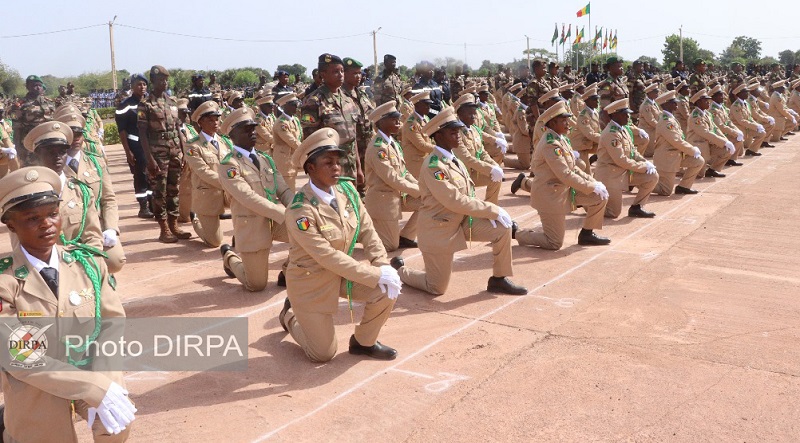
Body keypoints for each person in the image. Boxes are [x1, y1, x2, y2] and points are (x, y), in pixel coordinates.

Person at [0, 166, 135, 442]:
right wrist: (92, 387)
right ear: (11, 225)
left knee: (116, 424)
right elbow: (20, 356)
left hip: (90, 367)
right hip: (34, 382)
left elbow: (111, 323)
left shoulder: (88, 263)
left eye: (52, 214)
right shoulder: (6, 280)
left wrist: (106, 381)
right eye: (32, 218)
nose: (47, 224)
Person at [278, 128, 403, 362]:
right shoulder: (300, 209)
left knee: (386, 289)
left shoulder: (347, 191)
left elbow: (367, 230)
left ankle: (364, 342)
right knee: (322, 354)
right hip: (311, 282)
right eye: (328, 163)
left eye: (338, 162)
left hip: (342, 274)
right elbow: (326, 256)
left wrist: (382, 264)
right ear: (311, 168)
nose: (337, 167)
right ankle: (290, 315)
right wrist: (375, 274)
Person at [393, 107, 527, 296]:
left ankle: (499, 279)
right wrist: (492, 209)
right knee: (436, 287)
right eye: (453, 132)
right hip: (440, 229)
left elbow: (467, 194)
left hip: (462, 221)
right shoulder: (434, 166)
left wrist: (491, 214)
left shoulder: (453, 159)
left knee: (503, 229)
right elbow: (455, 200)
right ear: (439, 136)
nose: (458, 135)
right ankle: (400, 270)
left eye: (458, 131)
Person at [515, 101, 610, 250]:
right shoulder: (550, 144)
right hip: (550, 196)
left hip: (564, 190)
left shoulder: (561, 138)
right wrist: (591, 186)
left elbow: (573, 168)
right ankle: (517, 233)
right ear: (553, 123)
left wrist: (593, 182)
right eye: (563, 120)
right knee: (554, 243)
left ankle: (587, 234)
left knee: (599, 197)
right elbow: (565, 174)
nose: (567, 123)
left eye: (567, 120)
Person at [217, 108, 293, 291]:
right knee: (256, 285)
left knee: (308, 230)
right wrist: (282, 213)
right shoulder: (229, 165)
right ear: (232, 135)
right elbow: (248, 197)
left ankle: (288, 272)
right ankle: (230, 258)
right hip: (253, 226)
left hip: (275, 221)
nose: (253, 132)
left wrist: (298, 209)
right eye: (246, 129)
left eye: (253, 128)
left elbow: (283, 190)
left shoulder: (266, 159)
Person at [56, 113, 126, 273]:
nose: (76, 139)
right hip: (67, 230)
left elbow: (109, 199)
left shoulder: (96, 162)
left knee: (115, 261)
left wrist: (111, 228)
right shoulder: (53, 165)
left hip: (96, 227)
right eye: (71, 134)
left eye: (79, 134)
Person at [21, 121, 104, 252]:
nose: (58, 157)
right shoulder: (25, 196)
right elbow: (21, 246)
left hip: (79, 258)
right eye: (50, 152)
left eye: (62, 152)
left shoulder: (81, 191)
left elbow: (93, 237)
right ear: (37, 154)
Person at [138, 66, 191, 243]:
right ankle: (164, 229)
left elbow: (178, 128)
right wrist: (149, 159)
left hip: (175, 151)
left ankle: (174, 224)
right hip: (157, 154)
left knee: (174, 189)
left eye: (166, 80)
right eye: (161, 80)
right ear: (153, 81)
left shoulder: (172, 102)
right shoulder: (146, 104)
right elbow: (142, 134)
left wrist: (183, 151)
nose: (164, 82)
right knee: (159, 191)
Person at [364, 102, 421, 252]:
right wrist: (418, 190)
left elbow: (404, 172)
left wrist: (421, 187)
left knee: (428, 201)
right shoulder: (378, 147)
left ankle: (406, 237)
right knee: (390, 246)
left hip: (398, 196)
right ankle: (361, 232)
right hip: (384, 201)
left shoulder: (392, 143)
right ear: (381, 122)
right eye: (393, 119)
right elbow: (392, 178)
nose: (398, 122)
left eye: (398, 118)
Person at [300, 54, 362, 185]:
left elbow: (353, 137)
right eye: (335, 72)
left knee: (352, 198)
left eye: (342, 71)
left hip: (350, 165)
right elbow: (311, 141)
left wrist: (359, 167)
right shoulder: (313, 101)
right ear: (323, 74)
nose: (341, 75)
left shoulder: (348, 99)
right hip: (329, 168)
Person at [594, 99, 659, 219]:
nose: (628, 116)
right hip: (611, 175)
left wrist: (645, 162)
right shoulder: (611, 133)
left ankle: (637, 207)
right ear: (615, 115)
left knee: (652, 176)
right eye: (624, 114)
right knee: (613, 213)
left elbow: (633, 152)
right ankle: (588, 202)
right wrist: (643, 167)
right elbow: (621, 160)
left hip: (624, 172)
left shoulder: (623, 129)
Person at [184, 101, 229, 247]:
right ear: (200, 123)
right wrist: (228, 183)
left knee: (248, 202)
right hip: (208, 194)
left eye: (216, 119)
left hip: (227, 192)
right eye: (210, 120)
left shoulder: (225, 142)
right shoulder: (192, 146)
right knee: (215, 242)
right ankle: (196, 219)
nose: (215, 123)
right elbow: (203, 171)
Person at [651, 91, 705, 196]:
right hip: (667, 159)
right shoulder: (666, 121)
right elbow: (676, 140)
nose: (676, 104)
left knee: (698, 161)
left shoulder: (671, 118)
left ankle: (684, 186)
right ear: (666, 104)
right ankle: (638, 183)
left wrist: (691, 150)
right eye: (673, 102)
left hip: (677, 155)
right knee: (665, 191)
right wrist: (692, 149)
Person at [116, 74, 152, 219]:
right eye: (138, 84)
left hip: (151, 144)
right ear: (132, 87)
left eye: (144, 84)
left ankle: (152, 203)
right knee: (140, 175)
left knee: (152, 174)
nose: (142, 87)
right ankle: (143, 206)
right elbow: (122, 130)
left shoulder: (150, 101)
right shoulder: (125, 105)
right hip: (136, 145)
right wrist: (128, 151)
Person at [342, 58, 376, 190]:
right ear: (345, 74)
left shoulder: (361, 94)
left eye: (359, 73)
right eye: (354, 73)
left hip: (367, 148)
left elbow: (371, 116)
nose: (359, 76)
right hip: (351, 152)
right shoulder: (341, 97)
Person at [685, 89, 734, 178]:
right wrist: (723, 142)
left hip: (708, 143)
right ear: (699, 102)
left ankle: (712, 170)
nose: (708, 102)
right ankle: (680, 170)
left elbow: (715, 128)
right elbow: (705, 132)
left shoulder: (706, 113)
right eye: (705, 100)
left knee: (726, 150)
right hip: (699, 145)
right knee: (699, 174)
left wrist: (725, 141)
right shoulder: (695, 116)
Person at [11, 75, 56, 167]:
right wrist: (18, 148)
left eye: (40, 85)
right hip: (29, 144)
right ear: (27, 87)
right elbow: (16, 128)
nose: (38, 87)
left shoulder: (49, 102)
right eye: (35, 85)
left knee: (48, 167)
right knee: (30, 169)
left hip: (47, 142)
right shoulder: (20, 105)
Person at [400, 91, 436, 180]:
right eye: (426, 104)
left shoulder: (424, 119)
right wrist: (439, 149)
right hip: (416, 163)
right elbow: (421, 145)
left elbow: (430, 138)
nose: (429, 107)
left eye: (429, 104)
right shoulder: (411, 123)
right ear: (418, 105)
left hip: (425, 160)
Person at [272, 93, 303, 191]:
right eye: (293, 104)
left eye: (296, 104)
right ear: (285, 106)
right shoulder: (281, 123)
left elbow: (300, 136)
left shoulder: (295, 119)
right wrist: (305, 149)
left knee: (292, 188)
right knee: (289, 191)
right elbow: (291, 141)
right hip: (285, 160)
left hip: (293, 159)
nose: (296, 107)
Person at [708, 85, 745, 166]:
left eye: (722, 95)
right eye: (720, 96)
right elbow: (720, 126)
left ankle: (731, 159)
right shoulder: (713, 110)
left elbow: (728, 122)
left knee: (739, 138)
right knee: (735, 139)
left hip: (725, 133)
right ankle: (716, 160)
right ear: (714, 98)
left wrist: (737, 130)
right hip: (719, 135)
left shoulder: (721, 107)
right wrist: (734, 133)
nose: (723, 97)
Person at [729, 83, 768, 157]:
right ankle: (732, 158)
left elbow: (749, 117)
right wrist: (755, 126)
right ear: (739, 94)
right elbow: (741, 121)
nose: (747, 93)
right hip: (739, 128)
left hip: (746, 127)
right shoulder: (735, 106)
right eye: (745, 92)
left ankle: (752, 150)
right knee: (739, 153)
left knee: (762, 133)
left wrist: (757, 125)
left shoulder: (746, 103)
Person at [569, 85, 602, 174]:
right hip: (580, 145)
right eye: (594, 99)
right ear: (587, 101)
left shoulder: (595, 112)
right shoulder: (583, 116)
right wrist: (605, 138)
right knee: (585, 172)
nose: (597, 101)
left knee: (607, 149)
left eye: (597, 99)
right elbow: (589, 134)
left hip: (590, 143)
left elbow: (598, 130)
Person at [638, 83, 661, 157]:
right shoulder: (646, 105)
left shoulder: (653, 103)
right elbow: (650, 120)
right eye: (655, 92)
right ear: (649, 93)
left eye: (657, 91)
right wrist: (661, 126)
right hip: (648, 131)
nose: (657, 93)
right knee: (649, 153)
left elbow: (659, 114)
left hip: (654, 130)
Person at [0, 102, 19, 178]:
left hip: (11, 159)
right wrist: (4, 150)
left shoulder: (8, 122)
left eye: (1, 111)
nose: (0, 114)